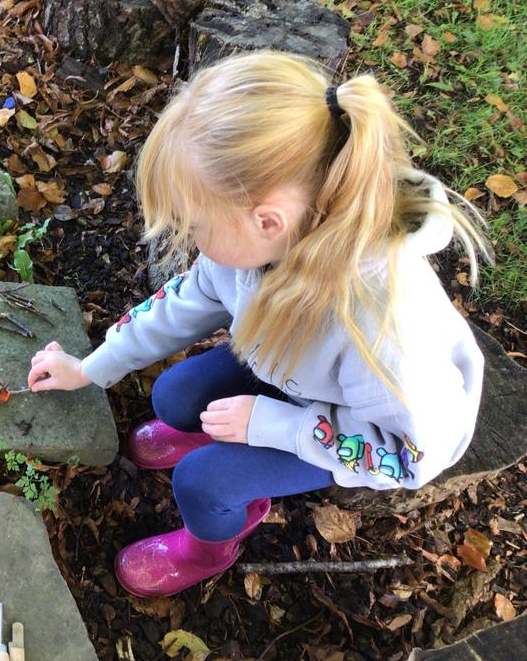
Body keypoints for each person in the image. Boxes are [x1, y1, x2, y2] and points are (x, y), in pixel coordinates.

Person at [26, 50, 492, 598]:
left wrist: (276, 426)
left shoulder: (382, 329)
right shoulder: (265, 241)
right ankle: (222, 437)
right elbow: (185, 301)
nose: (191, 240)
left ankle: (210, 546)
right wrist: (91, 367)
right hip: (294, 369)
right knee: (175, 395)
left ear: (267, 221)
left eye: (195, 225)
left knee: (202, 482)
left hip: (367, 428)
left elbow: (405, 456)